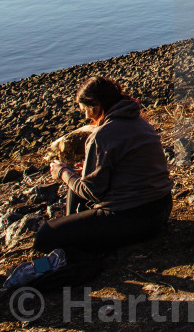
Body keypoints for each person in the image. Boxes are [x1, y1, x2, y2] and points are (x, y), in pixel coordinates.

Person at [33, 75, 173, 259]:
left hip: (132, 219)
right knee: (79, 180)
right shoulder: (140, 122)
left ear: (96, 105)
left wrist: (62, 173)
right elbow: (130, 168)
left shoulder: (103, 135)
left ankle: (70, 248)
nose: (85, 116)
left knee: (44, 236)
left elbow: (92, 192)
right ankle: (75, 231)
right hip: (161, 208)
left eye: (85, 110)